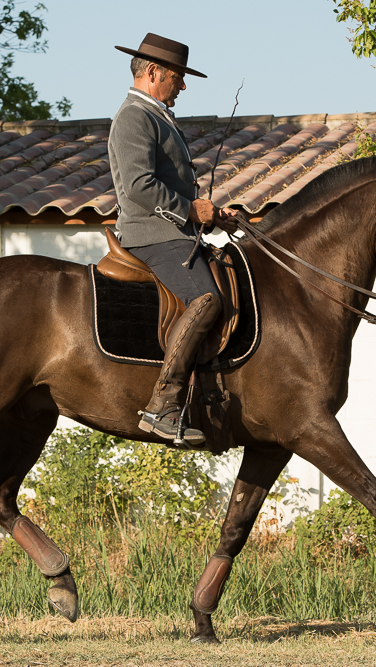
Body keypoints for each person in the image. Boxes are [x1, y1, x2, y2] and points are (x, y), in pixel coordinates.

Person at [108, 33, 241, 445]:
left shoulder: (157, 116)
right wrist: (189, 209)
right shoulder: (134, 117)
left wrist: (213, 214)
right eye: (178, 77)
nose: (182, 86)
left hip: (173, 230)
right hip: (150, 234)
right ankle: (163, 404)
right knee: (207, 299)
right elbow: (138, 186)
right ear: (152, 72)